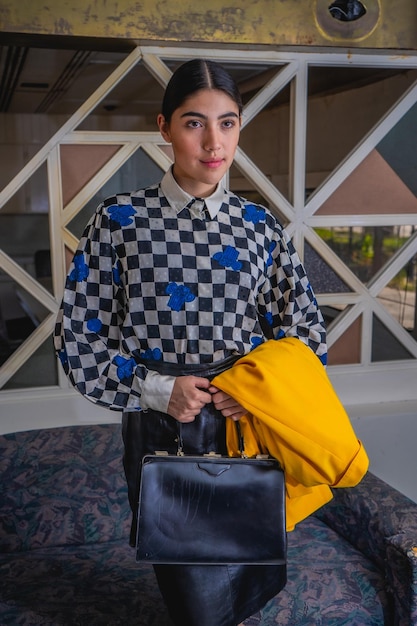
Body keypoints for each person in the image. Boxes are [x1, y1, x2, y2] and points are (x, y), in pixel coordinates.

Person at [54, 58, 327, 626]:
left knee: (249, 569)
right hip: (161, 427)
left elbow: (305, 329)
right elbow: (79, 337)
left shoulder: (260, 226)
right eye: (194, 123)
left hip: (246, 427)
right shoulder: (119, 220)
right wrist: (158, 392)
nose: (214, 142)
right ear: (164, 127)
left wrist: (253, 387)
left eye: (227, 123)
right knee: (194, 599)